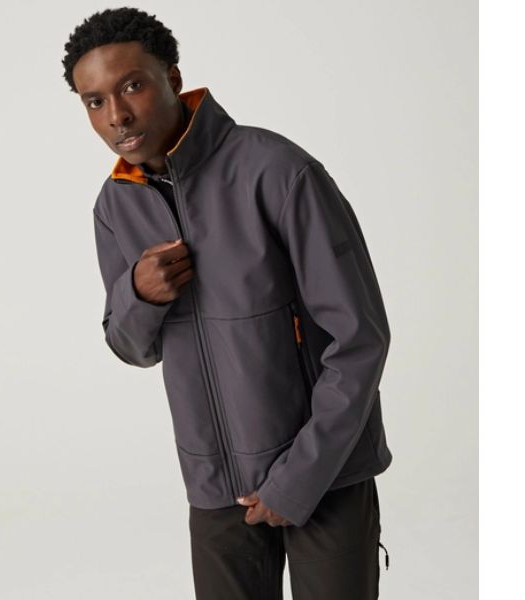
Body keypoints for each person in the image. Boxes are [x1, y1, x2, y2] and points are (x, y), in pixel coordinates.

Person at [62, 7, 392, 599]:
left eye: (131, 85)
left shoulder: (277, 171)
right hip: (215, 486)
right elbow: (132, 347)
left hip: (323, 475)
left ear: (172, 76)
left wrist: (299, 478)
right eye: (94, 101)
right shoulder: (115, 206)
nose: (117, 115)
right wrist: (139, 294)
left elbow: (360, 339)